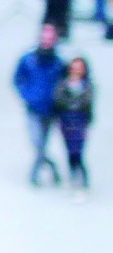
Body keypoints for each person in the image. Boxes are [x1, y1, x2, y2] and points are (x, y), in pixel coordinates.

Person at [13, 23, 67, 186]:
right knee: (37, 141)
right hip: (33, 108)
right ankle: (47, 167)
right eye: (45, 37)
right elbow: (17, 79)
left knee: (42, 142)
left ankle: (36, 173)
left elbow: (64, 84)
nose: (47, 40)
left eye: (50, 38)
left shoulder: (58, 63)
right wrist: (27, 95)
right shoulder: (28, 60)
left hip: (50, 109)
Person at [54, 56, 95, 199]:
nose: (77, 70)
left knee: (78, 150)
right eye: (75, 66)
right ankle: (73, 176)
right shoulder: (63, 84)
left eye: (80, 67)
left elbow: (87, 103)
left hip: (80, 122)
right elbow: (58, 99)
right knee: (70, 150)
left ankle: (82, 179)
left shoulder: (87, 85)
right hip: (66, 122)